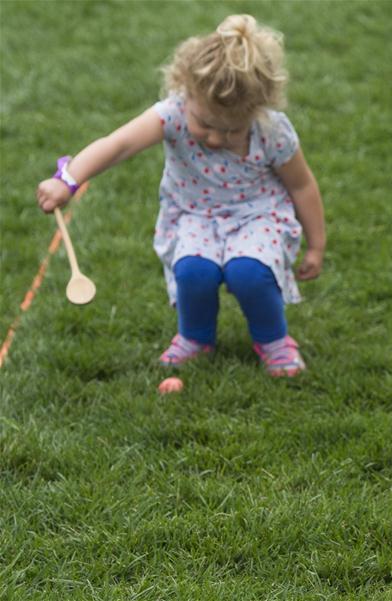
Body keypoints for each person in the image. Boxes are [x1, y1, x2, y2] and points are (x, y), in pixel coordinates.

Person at [36, 14, 325, 377]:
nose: (215, 138)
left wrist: (316, 245)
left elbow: (301, 185)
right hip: (193, 213)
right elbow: (118, 144)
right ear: (185, 91)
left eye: (230, 130)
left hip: (258, 216)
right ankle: (195, 337)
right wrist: (68, 180)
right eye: (204, 124)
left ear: (255, 111)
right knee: (193, 271)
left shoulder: (271, 131)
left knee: (250, 273)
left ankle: (273, 339)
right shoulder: (172, 114)